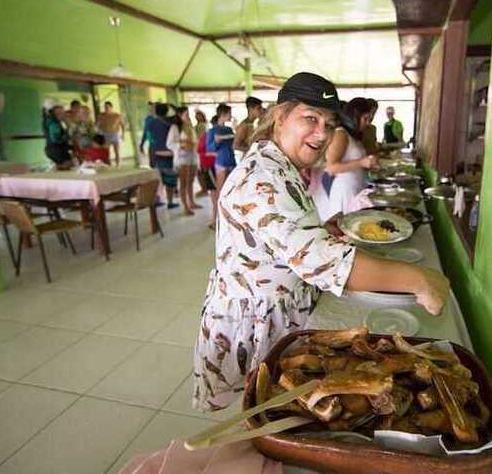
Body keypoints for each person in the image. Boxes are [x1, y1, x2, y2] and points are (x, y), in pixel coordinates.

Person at [192, 72, 450, 411]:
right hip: (254, 323)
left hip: (280, 309)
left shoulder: (279, 164)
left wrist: (320, 230)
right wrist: (419, 280)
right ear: (280, 116)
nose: (322, 134)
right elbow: (320, 260)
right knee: (257, 419)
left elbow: (281, 238)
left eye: (328, 124)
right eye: (310, 119)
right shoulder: (262, 177)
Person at [317, 97, 378, 222]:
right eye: (365, 118)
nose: (368, 123)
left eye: (369, 119)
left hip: (356, 187)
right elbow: (331, 168)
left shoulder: (354, 135)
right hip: (344, 190)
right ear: (355, 116)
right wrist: (362, 162)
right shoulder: (341, 134)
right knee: (347, 227)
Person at [167, 106, 200, 216]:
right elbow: (169, 144)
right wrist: (181, 145)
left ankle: (192, 202)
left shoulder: (190, 126)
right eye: (186, 114)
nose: (188, 116)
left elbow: (195, 141)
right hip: (182, 157)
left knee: (190, 181)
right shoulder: (175, 127)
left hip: (192, 156)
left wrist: (193, 144)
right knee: (183, 182)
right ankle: (185, 207)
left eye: (188, 114)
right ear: (180, 115)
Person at [145, 104, 179, 209]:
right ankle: (170, 202)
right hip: (168, 154)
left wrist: (153, 149)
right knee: (170, 180)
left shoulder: (150, 123)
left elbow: (149, 138)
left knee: (157, 179)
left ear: (155, 111)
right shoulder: (170, 123)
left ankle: (157, 199)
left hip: (155, 154)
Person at [206, 104, 235, 224]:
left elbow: (233, 145)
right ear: (223, 114)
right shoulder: (212, 130)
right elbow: (209, 149)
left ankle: (229, 219)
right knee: (220, 192)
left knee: (232, 191)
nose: (231, 116)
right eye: (229, 113)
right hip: (221, 163)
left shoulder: (229, 129)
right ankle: (216, 219)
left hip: (232, 162)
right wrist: (216, 142)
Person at [41, 99, 73, 170]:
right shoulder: (53, 122)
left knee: (66, 167)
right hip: (56, 148)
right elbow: (56, 139)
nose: (63, 112)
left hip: (53, 148)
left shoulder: (49, 120)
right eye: (60, 110)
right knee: (68, 165)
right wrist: (67, 137)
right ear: (54, 111)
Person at [196, 128, 218, 227]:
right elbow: (204, 152)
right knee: (215, 192)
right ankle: (214, 220)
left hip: (208, 167)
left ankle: (214, 219)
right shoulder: (207, 137)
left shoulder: (204, 138)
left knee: (214, 192)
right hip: (210, 167)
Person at [97, 101, 126, 166]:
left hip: (115, 134)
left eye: (107, 107)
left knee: (117, 151)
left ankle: (118, 164)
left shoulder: (117, 115)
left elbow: (123, 125)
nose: (106, 108)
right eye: (105, 107)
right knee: (106, 152)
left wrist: (123, 134)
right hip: (105, 134)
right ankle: (108, 164)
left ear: (111, 107)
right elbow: (98, 125)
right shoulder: (102, 115)